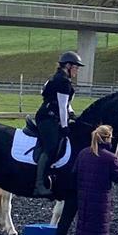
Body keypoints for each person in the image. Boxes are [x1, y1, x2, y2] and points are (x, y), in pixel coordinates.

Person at [33, 51, 83, 197]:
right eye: (76, 67)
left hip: (52, 115)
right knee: (51, 146)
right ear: (68, 66)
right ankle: (39, 185)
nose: (77, 70)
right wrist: (65, 126)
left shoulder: (58, 79)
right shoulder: (62, 82)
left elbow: (65, 104)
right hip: (47, 118)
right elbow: (62, 107)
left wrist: (72, 114)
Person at [74, 125, 118, 235]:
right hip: (101, 202)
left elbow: (75, 172)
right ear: (108, 138)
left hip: (84, 201)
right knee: (99, 233)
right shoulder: (110, 158)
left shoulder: (83, 154)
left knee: (83, 230)